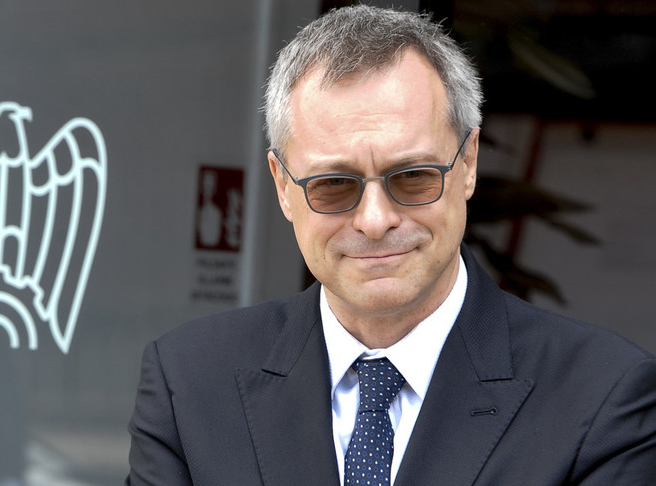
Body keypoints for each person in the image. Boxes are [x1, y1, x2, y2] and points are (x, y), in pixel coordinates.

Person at [125, 5, 656, 485]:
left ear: (468, 163)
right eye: (334, 184)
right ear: (283, 187)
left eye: (413, 177)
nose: (375, 220)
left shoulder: (603, 398)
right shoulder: (189, 383)